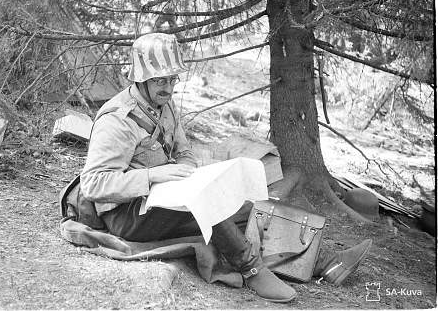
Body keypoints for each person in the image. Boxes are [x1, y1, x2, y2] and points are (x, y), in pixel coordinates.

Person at [79, 33, 372, 303]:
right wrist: (153, 176)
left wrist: (188, 176)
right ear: (141, 79)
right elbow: (93, 184)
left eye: (172, 79)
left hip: (164, 197)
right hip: (126, 214)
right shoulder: (116, 120)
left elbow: (185, 153)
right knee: (211, 207)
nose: (168, 88)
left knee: (249, 207)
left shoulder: (163, 104)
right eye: (159, 81)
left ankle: (325, 263)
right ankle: (251, 269)